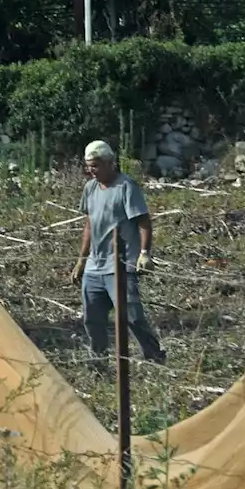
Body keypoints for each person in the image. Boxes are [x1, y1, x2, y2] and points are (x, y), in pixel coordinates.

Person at [69, 140, 166, 365]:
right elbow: (89, 224)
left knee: (132, 317)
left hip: (120, 265)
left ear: (109, 163)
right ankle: (98, 360)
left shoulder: (126, 187)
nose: (91, 170)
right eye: (88, 166)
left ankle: (154, 357)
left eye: (95, 165)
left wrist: (144, 253)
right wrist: (81, 261)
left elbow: (143, 221)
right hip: (95, 266)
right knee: (92, 318)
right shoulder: (90, 188)